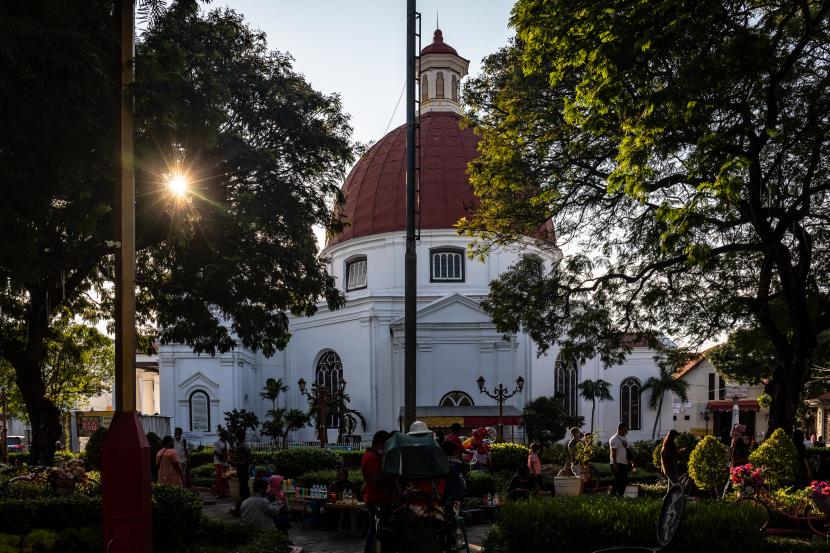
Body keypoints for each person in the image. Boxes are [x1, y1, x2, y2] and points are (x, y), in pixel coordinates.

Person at [362, 430, 391, 553]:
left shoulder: (377, 456)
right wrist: (389, 475)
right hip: (376, 500)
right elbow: (374, 481)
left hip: (379, 499)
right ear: (380, 444)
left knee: (376, 530)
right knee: (375, 531)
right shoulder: (370, 458)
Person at [231, 429, 252, 513]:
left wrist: (231, 462)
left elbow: (242, 462)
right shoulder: (245, 446)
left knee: (243, 492)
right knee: (244, 490)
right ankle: (245, 509)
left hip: (242, 471)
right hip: (244, 471)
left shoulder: (241, 447)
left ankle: (245, 509)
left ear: (237, 437)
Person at [609, 422, 633, 496]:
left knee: (624, 481)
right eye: (626, 430)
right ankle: (611, 495)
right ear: (621, 429)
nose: (627, 431)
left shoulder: (624, 438)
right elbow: (613, 452)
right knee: (618, 480)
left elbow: (626, 451)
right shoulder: (614, 439)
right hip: (617, 463)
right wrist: (615, 463)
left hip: (624, 462)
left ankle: (621, 495)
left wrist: (631, 461)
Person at [442, 440, 467, 508]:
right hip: (457, 493)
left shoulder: (441, 463)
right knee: (456, 512)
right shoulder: (459, 463)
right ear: (454, 452)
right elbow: (465, 474)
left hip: (443, 492)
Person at [213, 430, 230, 498]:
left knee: (225, 478)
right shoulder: (217, 443)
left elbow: (228, 451)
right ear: (224, 436)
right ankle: (218, 493)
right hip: (219, 462)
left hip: (226, 463)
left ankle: (223, 493)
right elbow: (215, 452)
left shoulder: (227, 443)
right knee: (220, 478)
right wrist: (223, 454)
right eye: (226, 435)